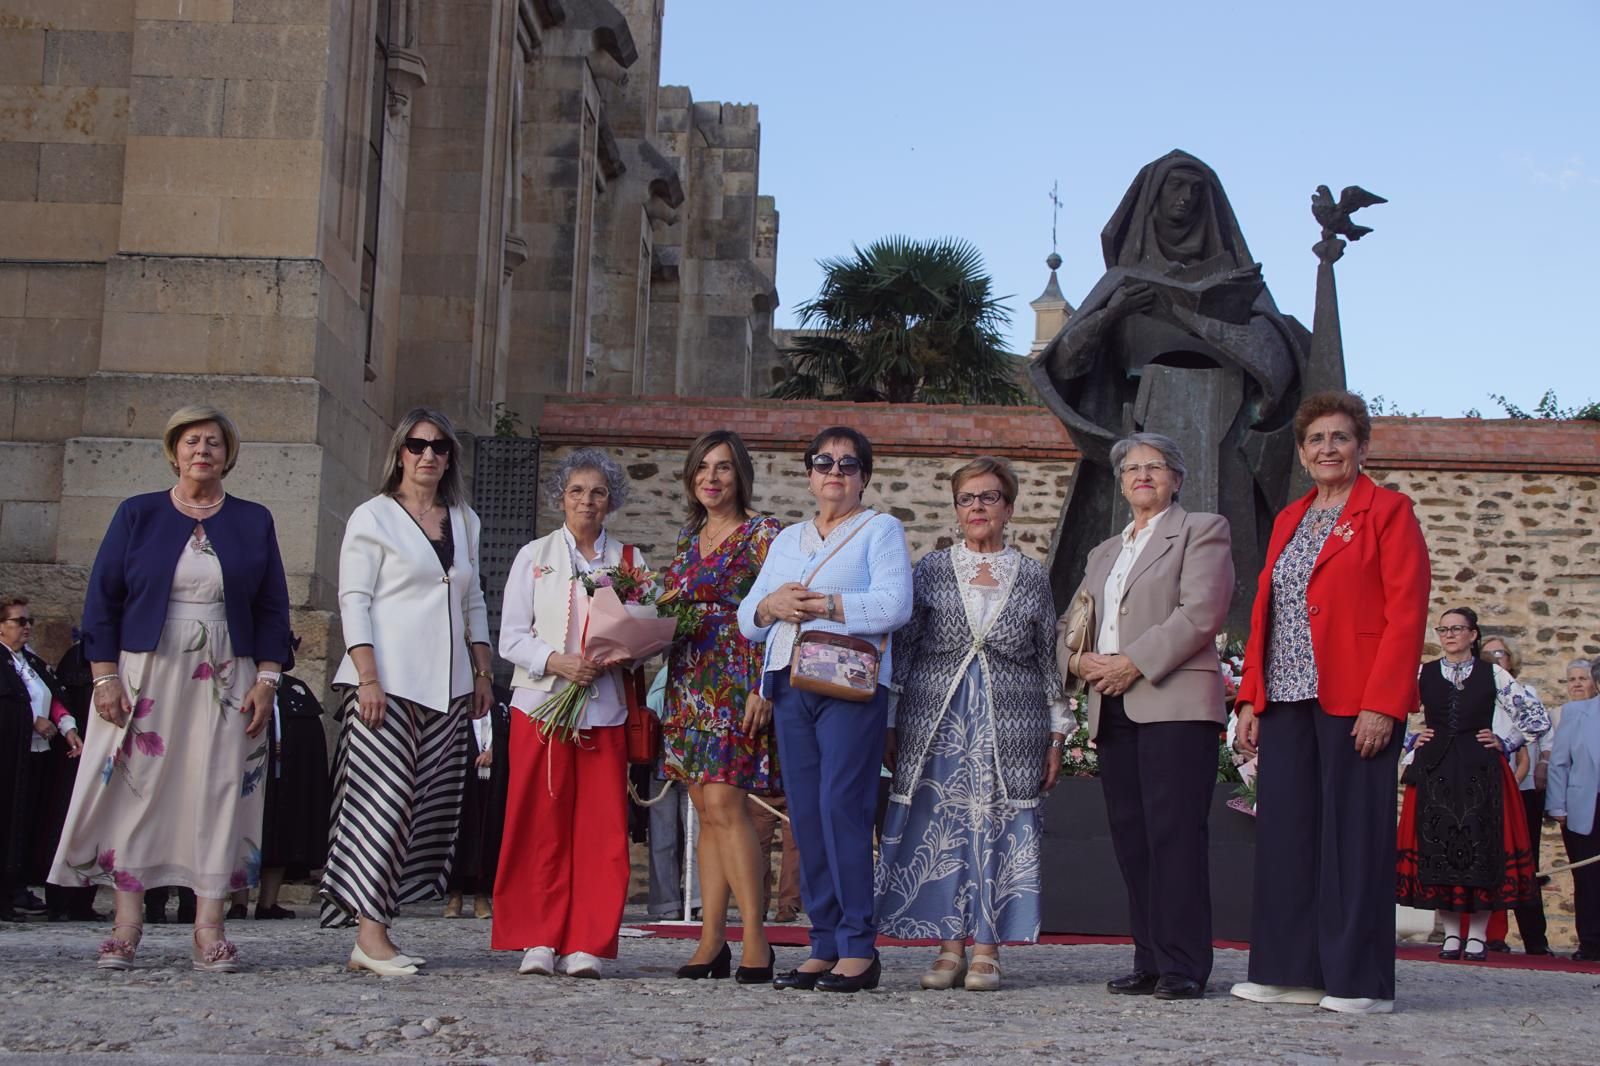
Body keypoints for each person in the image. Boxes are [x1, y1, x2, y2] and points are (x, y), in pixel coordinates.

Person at [48, 404, 291, 971]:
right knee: (140, 785)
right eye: (190, 442)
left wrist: (268, 678)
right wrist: (102, 675)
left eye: (212, 442)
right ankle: (126, 924)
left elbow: (273, 606)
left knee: (217, 786)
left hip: (229, 670)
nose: (201, 450)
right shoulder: (138, 514)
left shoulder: (254, 519)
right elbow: (102, 599)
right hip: (145, 669)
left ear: (228, 455)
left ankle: (209, 927)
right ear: (173, 451)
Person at [1029, 150, 1307, 624]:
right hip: (1142, 423)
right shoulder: (1123, 281)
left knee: (1229, 572)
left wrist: (1210, 323)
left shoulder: (1238, 281)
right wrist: (1113, 313)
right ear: (1151, 202)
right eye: (1174, 189)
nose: (1185, 200)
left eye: (1196, 192)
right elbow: (1066, 362)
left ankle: (1234, 664)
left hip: (1223, 434)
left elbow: (1279, 356)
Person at [1230, 390, 1431, 1015]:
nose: (1327, 448)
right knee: (1287, 835)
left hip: (1355, 699)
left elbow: (1406, 612)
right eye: (1315, 439)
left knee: (1354, 839)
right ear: (1302, 451)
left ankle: (1358, 981)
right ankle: (1289, 969)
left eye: (1339, 437)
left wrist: (1384, 702)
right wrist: (1250, 699)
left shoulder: (1389, 512)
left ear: (1361, 446)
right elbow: (1267, 612)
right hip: (1287, 696)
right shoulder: (1290, 518)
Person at [876, 456, 1068, 992]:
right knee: (944, 826)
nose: (978, 507)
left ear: (1008, 507)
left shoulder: (1031, 575)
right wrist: (891, 722)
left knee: (1000, 826)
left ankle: (987, 947)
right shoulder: (931, 570)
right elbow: (906, 652)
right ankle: (947, 943)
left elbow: (1043, 660)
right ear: (957, 509)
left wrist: (1057, 733)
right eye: (968, 499)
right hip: (936, 719)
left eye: (989, 497)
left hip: (1013, 720)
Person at [738, 426, 913, 993]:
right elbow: (748, 618)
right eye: (824, 462)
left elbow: (895, 604)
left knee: (844, 807)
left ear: (864, 475)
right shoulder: (788, 538)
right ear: (809, 472)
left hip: (850, 686)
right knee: (807, 814)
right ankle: (825, 941)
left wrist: (826, 604)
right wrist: (771, 603)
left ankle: (860, 947)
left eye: (848, 463)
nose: (834, 471)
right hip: (790, 684)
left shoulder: (880, 529)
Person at [321, 407, 495, 976]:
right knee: (382, 803)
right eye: (418, 445)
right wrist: (367, 676)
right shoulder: (373, 516)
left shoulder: (463, 520)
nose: (429, 455)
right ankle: (368, 937)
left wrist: (483, 672)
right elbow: (355, 600)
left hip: (447, 688)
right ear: (400, 451)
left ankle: (380, 929)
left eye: (441, 447)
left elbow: (472, 601)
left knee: (424, 808)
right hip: (385, 685)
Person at [1065, 434, 1234, 1000]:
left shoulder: (1201, 530)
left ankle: (1185, 963)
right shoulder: (1103, 553)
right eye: (1131, 468)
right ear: (1120, 482)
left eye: (1154, 467)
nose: (1142, 476)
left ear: (1176, 478)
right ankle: (1150, 958)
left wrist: (1133, 663)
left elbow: (1201, 612)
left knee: (1175, 836)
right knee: (1132, 838)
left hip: (1174, 703)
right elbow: (1075, 621)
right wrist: (1078, 660)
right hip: (1111, 706)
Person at [493, 449, 644, 979]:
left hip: (603, 711)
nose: (587, 500)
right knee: (539, 822)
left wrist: (621, 653)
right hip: (542, 708)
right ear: (561, 496)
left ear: (611, 502)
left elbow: (645, 632)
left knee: (600, 830)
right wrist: (556, 661)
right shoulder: (533, 556)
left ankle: (586, 941)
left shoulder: (630, 561)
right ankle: (539, 937)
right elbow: (510, 637)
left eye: (598, 492)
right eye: (577, 491)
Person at [661, 430, 783, 983]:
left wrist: (767, 685)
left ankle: (756, 939)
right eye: (703, 467)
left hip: (736, 681)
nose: (711, 477)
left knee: (729, 808)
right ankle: (711, 940)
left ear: (741, 476)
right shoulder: (689, 539)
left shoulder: (764, 535)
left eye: (724, 468)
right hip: (688, 682)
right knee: (704, 812)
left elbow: (780, 618)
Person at [1398, 608, 1549, 961]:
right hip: (1436, 767)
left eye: (1457, 629)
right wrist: (1410, 740)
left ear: (1472, 634)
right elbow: (1388, 706)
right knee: (1440, 847)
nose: (1449, 635)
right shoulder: (1424, 672)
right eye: (1444, 629)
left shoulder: (1492, 673)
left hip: (1479, 769)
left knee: (1481, 849)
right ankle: (1452, 934)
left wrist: (1507, 741)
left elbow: (1535, 716)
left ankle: (1478, 935)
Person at [2, 597, 83, 921]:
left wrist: (68, 728)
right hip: (10, 754)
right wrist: (31, 719)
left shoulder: (30, 662)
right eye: (19, 621)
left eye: (29, 621)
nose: (27, 627)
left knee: (29, 820)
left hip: (37, 754)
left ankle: (19, 886)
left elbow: (53, 697)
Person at [1479, 635, 1546, 954]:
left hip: (1516, 786)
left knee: (1521, 863)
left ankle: (1534, 939)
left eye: (1499, 653)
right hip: (1479, 786)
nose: (1494, 658)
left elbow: (1534, 734)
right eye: (1487, 654)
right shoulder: (1476, 693)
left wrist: (1508, 755)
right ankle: (1485, 933)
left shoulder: (1524, 693)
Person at [1547, 659, 1600, 961]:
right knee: (1589, 878)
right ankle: (1591, 943)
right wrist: (1557, 805)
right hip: (1586, 806)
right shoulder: (1575, 712)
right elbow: (1559, 763)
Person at [445, 687, 508, 920]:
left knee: (488, 836)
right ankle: (455, 895)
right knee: (460, 835)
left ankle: (482, 896)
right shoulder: (456, 699)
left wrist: (494, 751)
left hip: (494, 780)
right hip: (461, 778)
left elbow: (510, 735)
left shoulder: (502, 701)